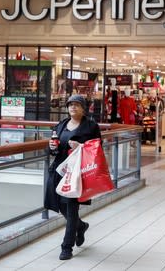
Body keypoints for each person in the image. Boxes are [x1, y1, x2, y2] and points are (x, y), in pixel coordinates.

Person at [45, 94, 101, 260]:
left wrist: (81, 147)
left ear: (84, 108)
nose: (73, 107)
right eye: (70, 105)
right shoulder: (61, 125)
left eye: (77, 105)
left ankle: (66, 247)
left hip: (77, 172)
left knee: (71, 207)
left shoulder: (91, 126)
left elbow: (97, 149)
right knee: (56, 202)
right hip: (59, 170)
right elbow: (54, 148)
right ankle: (81, 226)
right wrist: (51, 147)